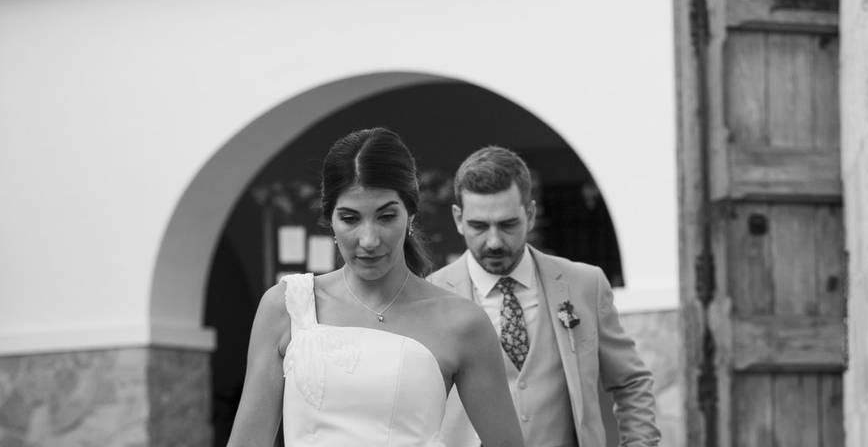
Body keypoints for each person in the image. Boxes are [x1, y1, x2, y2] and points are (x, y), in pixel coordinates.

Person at [226, 128, 524, 447]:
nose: (368, 240)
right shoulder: (286, 306)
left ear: (410, 215)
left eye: (385, 217)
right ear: (330, 219)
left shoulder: (463, 323)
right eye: (350, 218)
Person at [428, 146, 661, 447]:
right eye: (479, 226)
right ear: (459, 219)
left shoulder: (585, 285)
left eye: (508, 224)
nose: (494, 241)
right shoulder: (431, 296)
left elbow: (631, 382)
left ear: (531, 214)